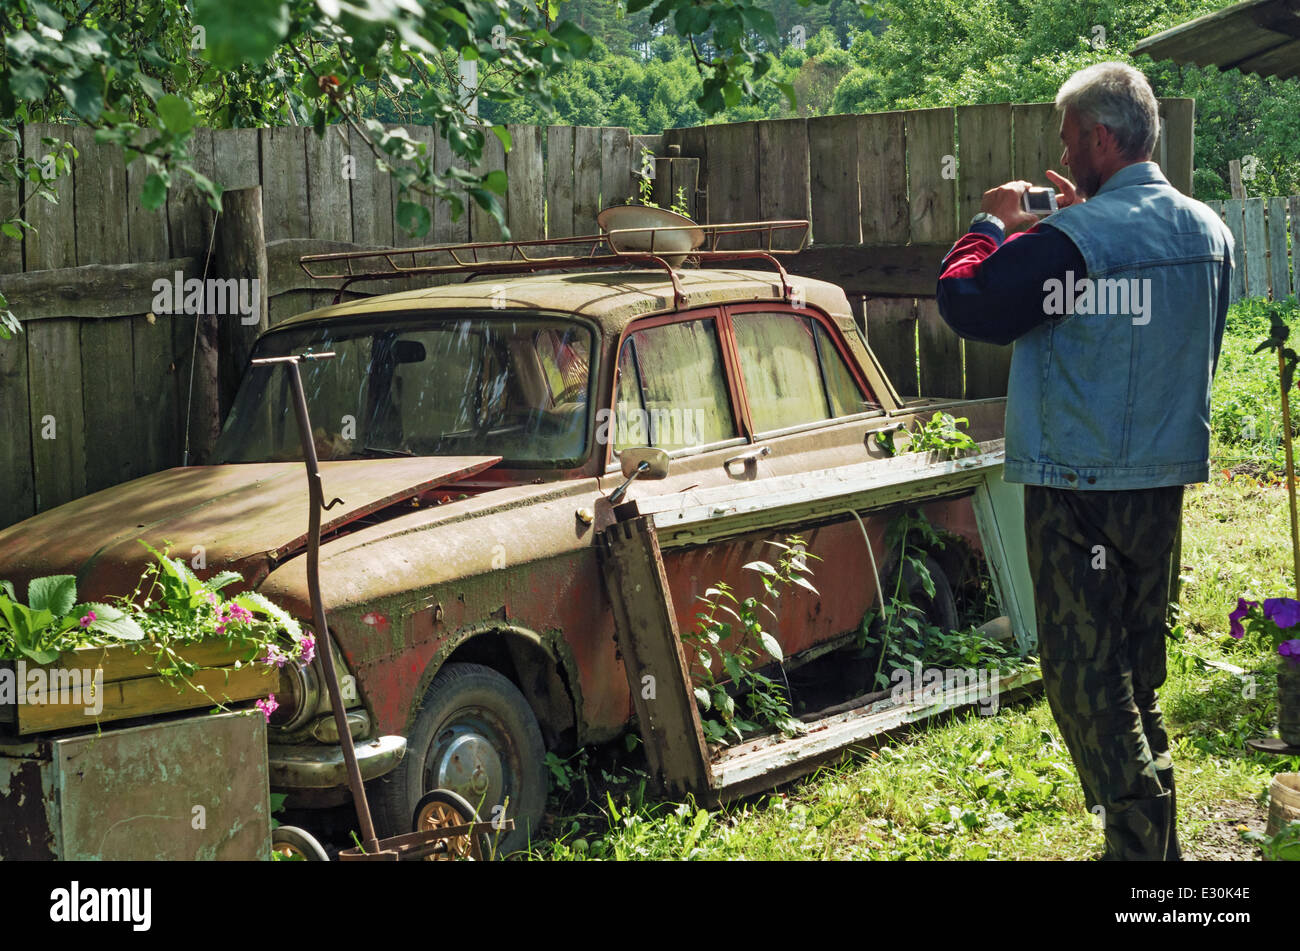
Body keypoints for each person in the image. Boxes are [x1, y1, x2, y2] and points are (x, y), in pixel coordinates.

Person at [935, 61, 1234, 860]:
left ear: (1102, 137)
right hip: (1162, 480)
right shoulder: (1211, 232)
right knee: (1136, 669)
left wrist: (992, 225)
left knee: (1081, 677)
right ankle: (1152, 852)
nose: (1063, 161)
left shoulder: (1076, 240)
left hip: (1078, 485)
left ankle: (1141, 853)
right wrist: (1075, 226)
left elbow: (969, 301)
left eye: (1070, 142)